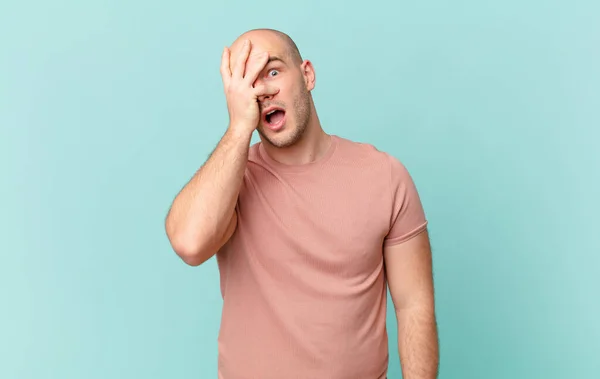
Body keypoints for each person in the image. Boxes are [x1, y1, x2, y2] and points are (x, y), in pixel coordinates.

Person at [165, 28, 439, 379]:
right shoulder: (233, 182)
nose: (261, 89)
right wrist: (238, 129)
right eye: (247, 82)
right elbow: (189, 244)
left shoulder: (384, 175)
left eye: (273, 72)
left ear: (307, 74)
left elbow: (414, 305)